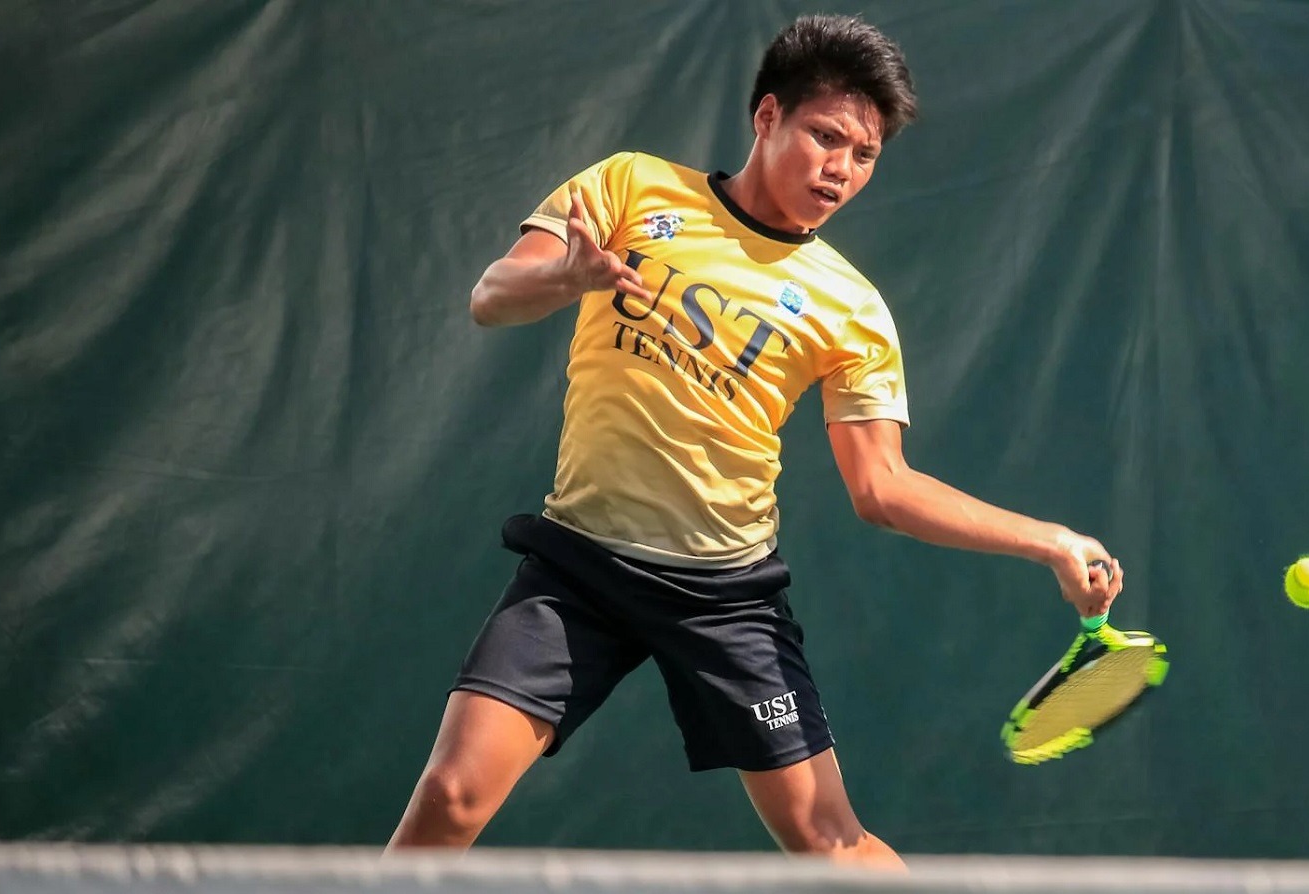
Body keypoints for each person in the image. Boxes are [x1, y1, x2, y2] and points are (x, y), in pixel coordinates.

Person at [385, 13, 1124, 869]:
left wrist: (1053, 541)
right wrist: (566, 276)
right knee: (451, 796)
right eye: (826, 136)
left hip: (725, 597)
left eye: (864, 155)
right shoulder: (631, 187)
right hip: (578, 568)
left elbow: (882, 488)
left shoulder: (852, 309)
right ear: (766, 116)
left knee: (827, 842)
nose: (841, 169)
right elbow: (491, 294)